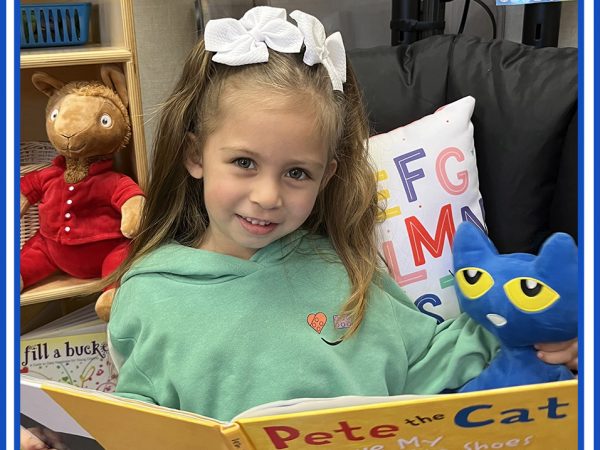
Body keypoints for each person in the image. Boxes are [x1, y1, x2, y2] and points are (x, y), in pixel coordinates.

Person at [53, 7, 579, 430]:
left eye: (296, 173)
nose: (267, 196)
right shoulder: (148, 292)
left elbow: (428, 359)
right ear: (196, 155)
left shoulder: (345, 272)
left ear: (327, 176)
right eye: (244, 163)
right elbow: (138, 418)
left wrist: (536, 335)